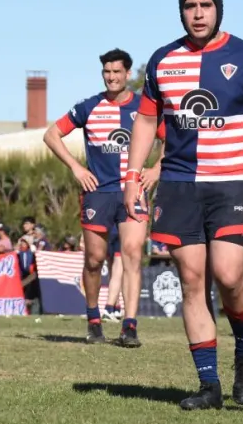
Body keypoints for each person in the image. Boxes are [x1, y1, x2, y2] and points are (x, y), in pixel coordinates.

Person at [123, 0, 243, 411]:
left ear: (218, 9)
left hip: (233, 180)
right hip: (180, 183)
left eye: (205, 5)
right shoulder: (163, 60)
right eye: (190, 6)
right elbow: (146, 120)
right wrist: (132, 176)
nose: (198, 14)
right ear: (181, 12)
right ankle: (208, 384)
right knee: (192, 279)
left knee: (229, 273)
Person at [43, 48, 165, 348]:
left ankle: (130, 326)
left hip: (133, 191)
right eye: (107, 72)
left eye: (116, 72)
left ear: (128, 74)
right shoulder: (89, 107)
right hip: (98, 193)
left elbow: (173, 139)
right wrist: (76, 168)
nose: (111, 77)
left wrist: (156, 169)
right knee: (95, 260)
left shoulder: (145, 107)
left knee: (132, 252)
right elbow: (51, 135)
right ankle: (94, 320)